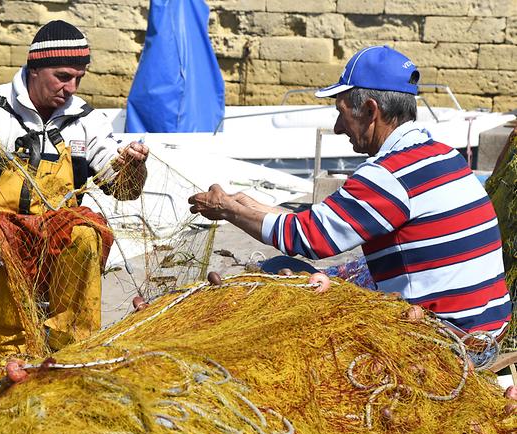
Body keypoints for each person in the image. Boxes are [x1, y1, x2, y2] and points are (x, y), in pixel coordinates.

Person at [189, 45, 511, 338]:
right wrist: (244, 202)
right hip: (488, 328)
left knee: (279, 271)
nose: (339, 127)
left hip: (447, 341)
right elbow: (315, 221)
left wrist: (228, 210)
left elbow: (306, 238)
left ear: (371, 111)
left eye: (342, 113)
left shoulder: (388, 175)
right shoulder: (444, 156)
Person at [0, 20, 149, 357]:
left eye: (79, 78)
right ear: (34, 68)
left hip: (54, 237)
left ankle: (71, 344)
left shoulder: (87, 121)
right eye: (63, 77)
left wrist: (133, 167)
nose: (72, 88)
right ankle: (11, 348)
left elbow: (122, 189)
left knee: (87, 231)